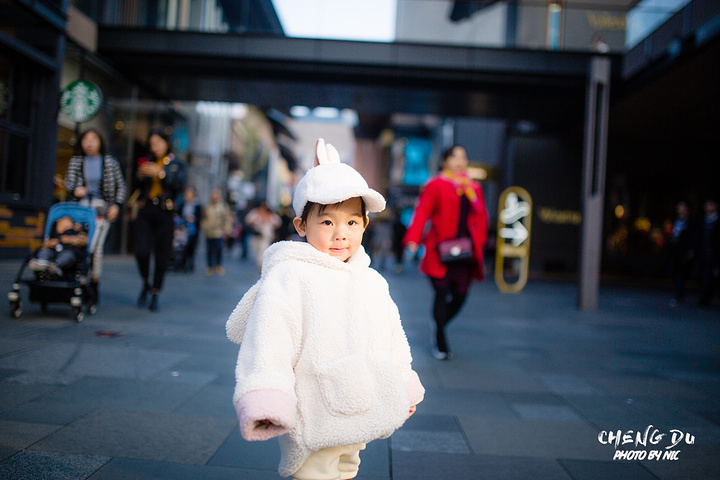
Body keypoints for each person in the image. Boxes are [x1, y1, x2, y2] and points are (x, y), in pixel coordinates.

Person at [226, 138, 424, 480]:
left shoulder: (370, 279)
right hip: (315, 405)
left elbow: (392, 335)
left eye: (351, 223)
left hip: (363, 401)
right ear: (302, 226)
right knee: (315, 472)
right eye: (327, 222)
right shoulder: (292, 274)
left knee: (348, 467)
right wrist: (268, 394)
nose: (340, 235)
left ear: (364, 225)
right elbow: (270, 338)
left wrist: (403, 382)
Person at [403, 145, 488, 360]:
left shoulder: (473, 188)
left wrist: (482, 240)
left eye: (463, 156)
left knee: (460, 296)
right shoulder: (435, 185)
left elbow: (481, 217)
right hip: (440, 252)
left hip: (466, 253)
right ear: (444, 162)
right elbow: (422, 212)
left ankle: (438, 323)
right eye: (454, 156)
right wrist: (413, 239)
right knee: (441, 293)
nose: (460, 160)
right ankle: (440, 338)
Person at [64, 128, 127, 302]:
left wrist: (116, 206)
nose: (89, 143)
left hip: (101, 209)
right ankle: (81, 282)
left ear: (100, 142)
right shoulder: (76, 161)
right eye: (85, 139)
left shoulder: (109, 162)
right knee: (83, 245)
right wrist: (75, 190)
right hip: (81, 208)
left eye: (93, 139)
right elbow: (68, 183)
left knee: (95, 249)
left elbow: (121, 186)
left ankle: (94, 282)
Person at [133, 129, 186, 311]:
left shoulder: (176, 163)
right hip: (146, 208)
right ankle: (146, 282)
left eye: (158, 143)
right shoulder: (146, 161)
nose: (155, 147)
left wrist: (161, 174)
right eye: (152, 144)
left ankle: (155, 292)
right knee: (141, 250)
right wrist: (140, 176)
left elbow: (179, 185)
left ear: (166, 143)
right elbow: (135, 186)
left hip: (165, 211)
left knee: (162, 255)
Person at [667, 201, 696, 306]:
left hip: (683, 251)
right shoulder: (677, 220)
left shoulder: (691, 221)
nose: (679, 208)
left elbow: (692, 237)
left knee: (680, 274)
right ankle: (679, 293)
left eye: (682, 206)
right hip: (675, 250)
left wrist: (690, 250)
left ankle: (680, 294)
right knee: (673, 273)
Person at [201, 187, 233, 276]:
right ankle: (210, 266)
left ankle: (218, 265)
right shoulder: (208, 207)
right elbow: (204, 218)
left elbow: (227, 219)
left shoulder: (223, 207)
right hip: (209, 232)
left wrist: (227, 230)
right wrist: (204, 226)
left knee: (218, 248)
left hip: (219, 232)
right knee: (209, 249)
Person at [244, 201, 281, 270]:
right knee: (256, 248)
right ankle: (259, 262)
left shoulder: (271, 214)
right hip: (256, 234)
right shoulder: (255, 212)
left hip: (266, 235)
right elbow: (248, 220)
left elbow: (278, 223)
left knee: (263, 248)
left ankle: (260, 264)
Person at [697, 199, 720, 306]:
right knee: (700, 275)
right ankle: (704, 296)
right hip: (702, 252)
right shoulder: (703, 220)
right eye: (707, 205)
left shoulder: (716, 221)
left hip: (712, 253)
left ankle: (705, 298)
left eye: (711, 205)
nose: (708, 207)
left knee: (708, 276)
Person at [176, 186, 202, 272]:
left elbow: (199, 217)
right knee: (183, 246)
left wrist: (194, 218)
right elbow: (178, 213)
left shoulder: (197, 205)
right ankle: (182, 263)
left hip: (192, 229)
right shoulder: (183, 203)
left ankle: (190, 263)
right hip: (183, 228)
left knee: (191, 246)